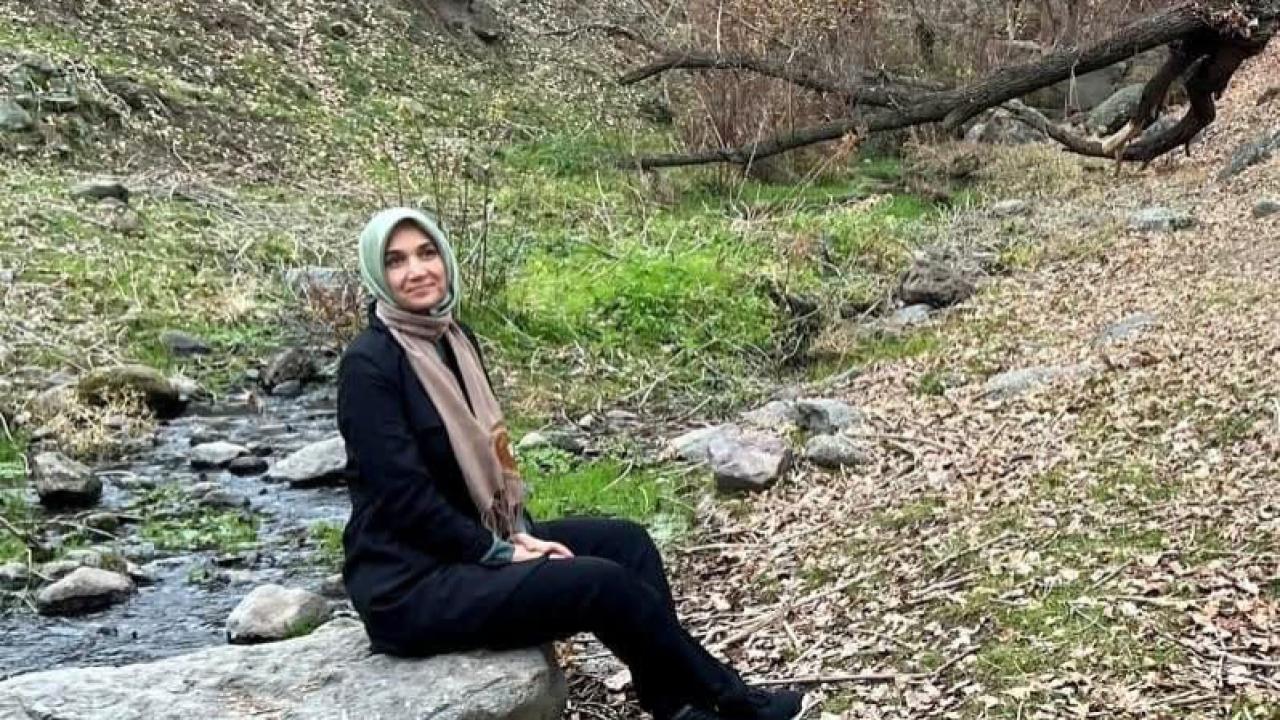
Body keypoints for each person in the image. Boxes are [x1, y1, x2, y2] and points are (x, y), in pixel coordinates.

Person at [336, 207, 804, 720]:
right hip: (411, 585)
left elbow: (489, 460)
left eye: (427, 253)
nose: (416, 270)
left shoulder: (454, 337)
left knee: (627, 544)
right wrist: (498, 552)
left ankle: (672, 706)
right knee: (599, 582)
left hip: (474, 545)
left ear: (445, 257)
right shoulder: (369, 365)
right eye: (396, 260)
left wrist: (518, 533)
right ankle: (735, 701)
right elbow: (405, 499)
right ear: (377, 274)